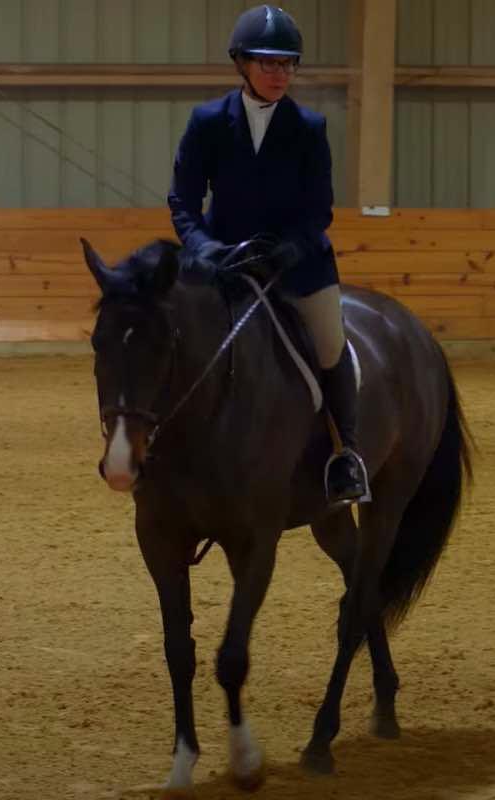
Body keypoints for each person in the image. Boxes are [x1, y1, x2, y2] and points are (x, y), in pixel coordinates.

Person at [166, 4, 368, 507]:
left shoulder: (309, 127)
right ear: (242, 63)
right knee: (171, 333)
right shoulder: (208, 122)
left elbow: (319, 208)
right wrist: (205, 247)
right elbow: (183, 201)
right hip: (223, 260)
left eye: (288, 64)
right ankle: (160, 443)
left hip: (297, 264)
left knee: (328, 342)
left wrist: (287, 251)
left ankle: (347, 456)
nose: (279, 74)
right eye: (268, 63)